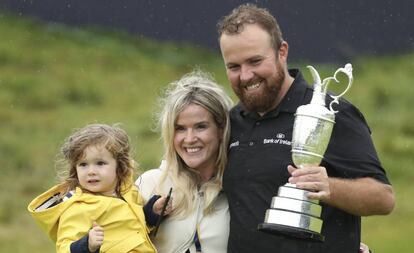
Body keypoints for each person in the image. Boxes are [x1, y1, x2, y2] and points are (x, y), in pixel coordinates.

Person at [217, 4, 394, 253]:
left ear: (282, 52)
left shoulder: (330, 112)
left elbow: (384, 199)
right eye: (233, 66)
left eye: (255, 61)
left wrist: (330, 188)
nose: (245, 76)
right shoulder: (231, 122)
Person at [28, 123, 169, 253]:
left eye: (100, 163)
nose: (91, 171)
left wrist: (152, 212)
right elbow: (64, 248)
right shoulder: (78, 207)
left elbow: (135, 227)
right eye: (83, 164)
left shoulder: (129, 193)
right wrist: (87, 244)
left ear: (119, 166)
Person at [135, 70, 233, 253]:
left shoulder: (239, 188)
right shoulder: (150, 183)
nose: (189, 139)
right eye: (180, 129)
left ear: (221, 129)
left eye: (200, 127)